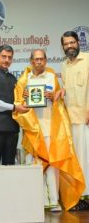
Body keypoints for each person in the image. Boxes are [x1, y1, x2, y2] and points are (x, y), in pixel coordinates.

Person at [13, 49, 85, 212]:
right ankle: (38, 201)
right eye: (36, 59)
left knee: (53, 165)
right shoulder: (24, 80)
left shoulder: (52, 76)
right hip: (32, 131)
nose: (39, 62)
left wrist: (54, 96)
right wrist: (23, 97)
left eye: (42, 59)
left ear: (46, 60)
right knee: (35, 165)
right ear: (31, 61)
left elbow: (60, 101)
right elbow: (18, 105)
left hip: (50, 128)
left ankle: (54, 200)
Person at [55, 31, 89, 210]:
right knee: (80, 161)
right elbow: (68, 88)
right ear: (63, 47)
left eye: (72, 42)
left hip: (86, 118)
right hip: (72, 120)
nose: (69, 46)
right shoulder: (64, 66)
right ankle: (81, 196)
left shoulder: (88, 60)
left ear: (78, 42)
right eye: (66, 44)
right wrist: (62, 91)